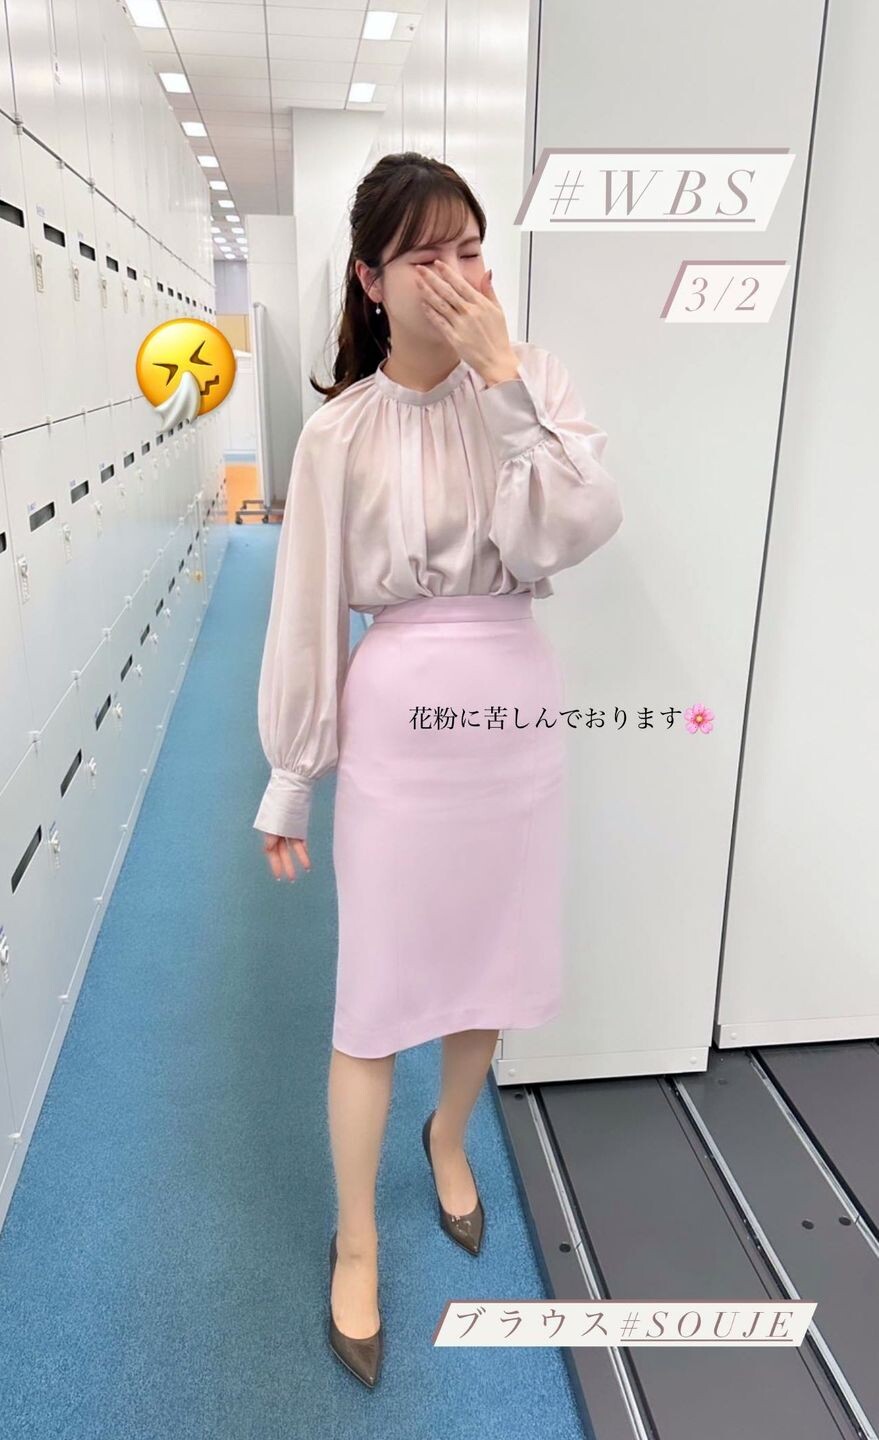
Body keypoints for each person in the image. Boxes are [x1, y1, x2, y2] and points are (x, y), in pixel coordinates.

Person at [252, 152, 623, 1388]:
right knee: (374, 991)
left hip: (513, 707)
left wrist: (506, 383)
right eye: (427, 256)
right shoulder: (338, 432)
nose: (460, 276)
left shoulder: (534, 384)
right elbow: (307, 607)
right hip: (401, 720)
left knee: (489, 965)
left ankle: (449, 1135)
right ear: (371, 282)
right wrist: (293, 776)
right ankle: (357, 1240)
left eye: (472, 249)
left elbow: (570, 526)